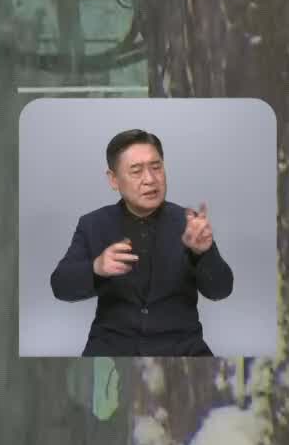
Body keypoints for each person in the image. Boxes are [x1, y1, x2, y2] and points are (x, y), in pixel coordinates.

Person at [49, 128, 234, 356]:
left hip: (181, 350)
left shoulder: (190, 223)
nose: (150, 179)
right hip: (111, 348)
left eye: (156, 167)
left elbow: (221, 290)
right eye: (136, 171)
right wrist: (96, 269)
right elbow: (60, 286)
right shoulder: (93, 224)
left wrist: (203, 253)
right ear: (114, 180)